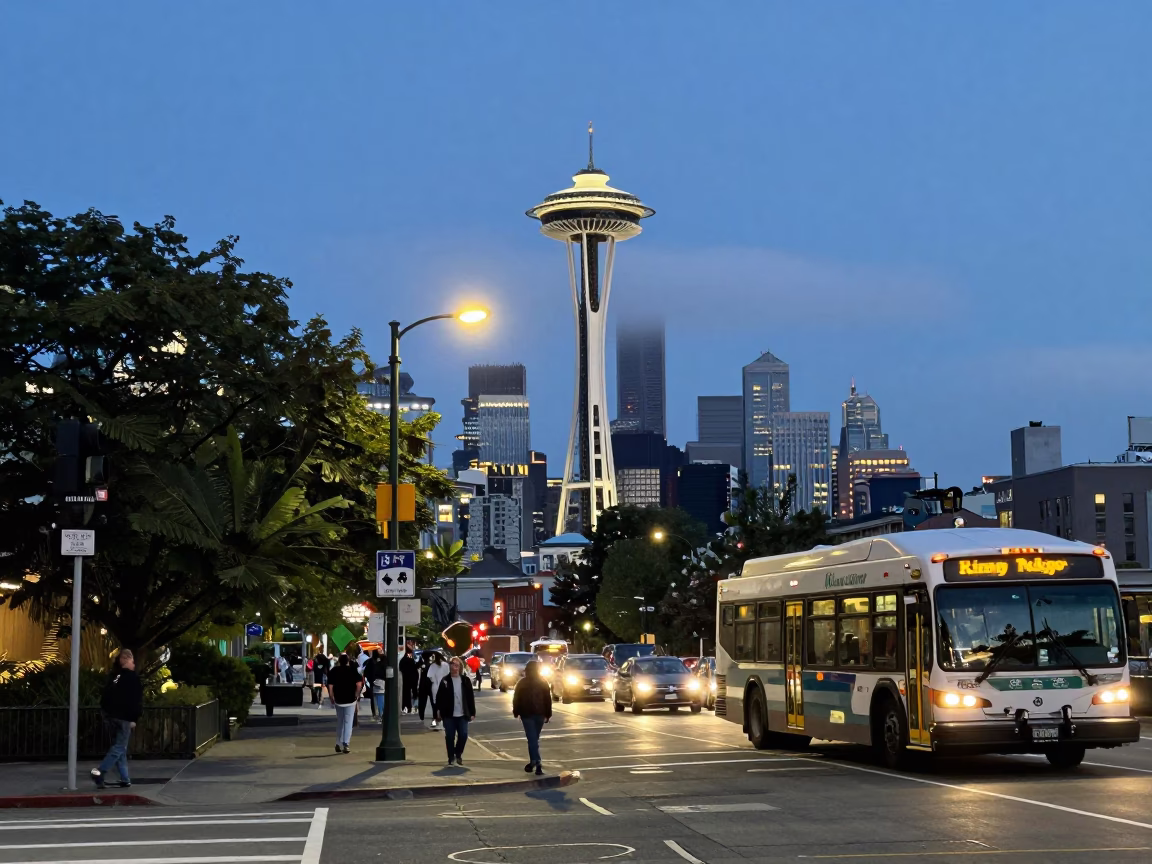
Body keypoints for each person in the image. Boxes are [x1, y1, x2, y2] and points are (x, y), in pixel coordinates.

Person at [91, 648, 143, 789]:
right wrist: (134, 718)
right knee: (119, 747)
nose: (134, 663)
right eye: (132, 660)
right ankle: (100, 771)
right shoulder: (133, 678)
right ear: (128, 660)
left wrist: (107, 713)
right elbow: (135, 700)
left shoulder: (115, 677)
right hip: (124, 718)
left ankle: (125, 778)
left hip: (112, 716)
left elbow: (105, 698)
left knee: (120, 748)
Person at [512, 659, 552, 776]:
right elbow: (547, 700)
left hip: (526, 714)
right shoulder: (543, 682)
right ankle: (534, 762)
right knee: (534, 739)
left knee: (532, 739)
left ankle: (535, 762)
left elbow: (516, 699)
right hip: (540, 713)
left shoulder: (522, 683)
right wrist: (548, 714)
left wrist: (516, 711)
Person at [434, 657, 475, 766]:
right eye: (452, 665)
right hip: (449, 714)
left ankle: (458, 754)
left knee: (463, 735)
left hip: (462, 714)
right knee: (450, 736)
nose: (454, 667)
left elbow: (470, 697)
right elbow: (439, 697)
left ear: (460, 667)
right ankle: (451, 757)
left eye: (457, 665)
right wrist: (438, 711)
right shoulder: (445, 680)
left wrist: (472, 712)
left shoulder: (465, 681)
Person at [326, 653, 363, 754]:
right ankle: (346, 743)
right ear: (348, 661)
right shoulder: (353, 671)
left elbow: (330, 685)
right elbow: (359, 684)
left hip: (338, 699)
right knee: (348, 722)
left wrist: (331, 696)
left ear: (339, 661)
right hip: (350, 699)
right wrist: (356, 694)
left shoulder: (334, 671)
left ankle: (338, 742)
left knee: (340, 721)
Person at [426, 652, 449, 730]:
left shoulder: (433, 666)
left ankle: (436, 719)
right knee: (444, 703)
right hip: (444, 686)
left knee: (435, 704)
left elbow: (430, 677)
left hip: (435, 686)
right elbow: (448, 675)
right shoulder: (446, 665)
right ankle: (444, 720)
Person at [399, 646, 418, 714]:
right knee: (413, 693)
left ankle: (405, 706)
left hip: (405, 679)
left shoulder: (402, 660)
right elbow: (415, 668)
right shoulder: (411, 660)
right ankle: (412, 707)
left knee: (406, 694)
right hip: (412, 679)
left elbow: (400, 668)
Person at [369, 650, 386, 720]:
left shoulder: (372, 662)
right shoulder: (383, 664)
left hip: (374, 683)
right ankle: (381, 714)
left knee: (377, 700)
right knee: (381, 700)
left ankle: (378, 714)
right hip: (381, 683)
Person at [362, 651, 380, 719]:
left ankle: (374, 713)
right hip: (379, 681)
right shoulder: (379, 662)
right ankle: (379, 711)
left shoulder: (369, 661)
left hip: (372, 681)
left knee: (373, 698)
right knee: (379, 696)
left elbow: (365, 672)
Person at [417, 652, 434, 723]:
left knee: (422, 701)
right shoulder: (431, 665)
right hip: (430, 684)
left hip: (422, 685)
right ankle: (435, 714)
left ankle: (421, 715)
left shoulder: (421, 664)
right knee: (433, 701)